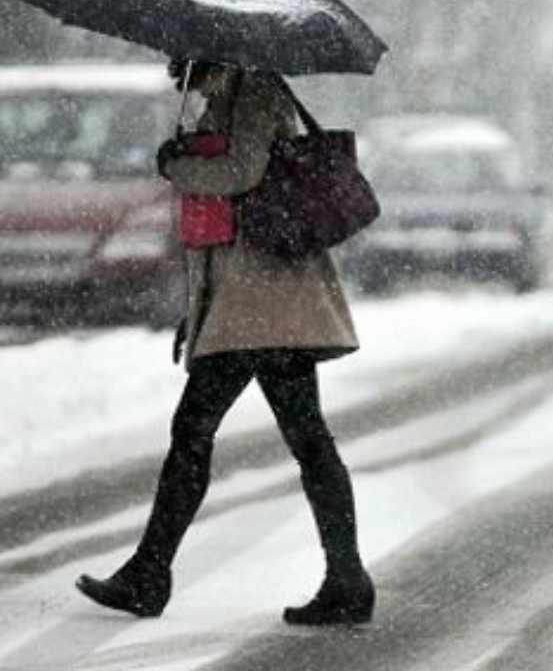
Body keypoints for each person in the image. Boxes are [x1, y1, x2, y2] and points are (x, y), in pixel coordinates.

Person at [75, 60, 375, 626]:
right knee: (304, 437)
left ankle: (150, 573)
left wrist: (179, 165)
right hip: (253, 303)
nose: (170, 61)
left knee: (197, 432)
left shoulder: (255, 89)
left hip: (266, 298)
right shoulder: (222, 95)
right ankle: (347, 578)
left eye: (177, 50)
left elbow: (242, 173)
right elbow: (217, 223)